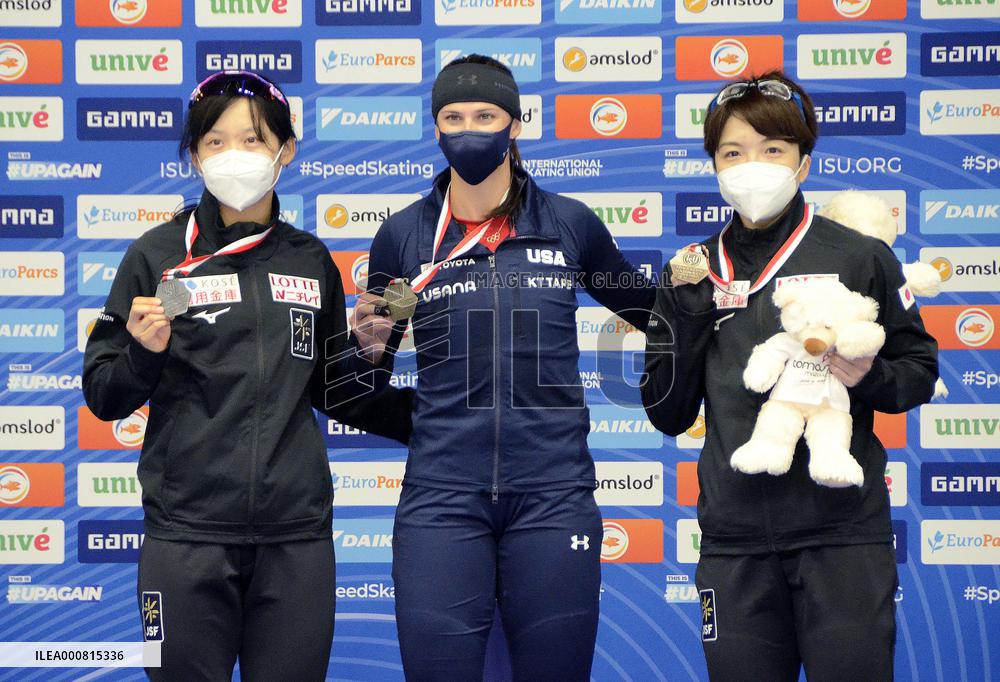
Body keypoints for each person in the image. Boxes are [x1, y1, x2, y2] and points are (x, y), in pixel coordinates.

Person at [82, 70, 412, 681]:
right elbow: (104, 395)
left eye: (254, 140)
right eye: (216, 142)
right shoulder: (157, 257)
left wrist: (379, 361)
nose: (235, 155)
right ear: (193, 155)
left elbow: (334, 392)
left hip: (296, 540)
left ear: (286, 151)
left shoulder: (309, 259)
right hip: (185, 538)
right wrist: (143, 353)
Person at [351, 55, 655, 681]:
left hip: (552, 497)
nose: (469, 129)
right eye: (453, 116)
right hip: (441, 500)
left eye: (486, 115)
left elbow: (657, 314)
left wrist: (735, 299)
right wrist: (367, 357)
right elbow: (357, 385)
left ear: (516, 124)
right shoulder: (404, 236)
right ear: (435, 128)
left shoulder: (568, 224)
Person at [641, 72, 938, 681]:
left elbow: (920, 373)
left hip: (842, 536)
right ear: (715, 167)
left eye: (772, 150)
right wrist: (693, 319)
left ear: (802, 163)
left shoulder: (860, 256)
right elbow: (666, 413)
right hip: (733, 544)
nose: (753, 166)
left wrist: (869, 376)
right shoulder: (690, 272)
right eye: (733, 152)